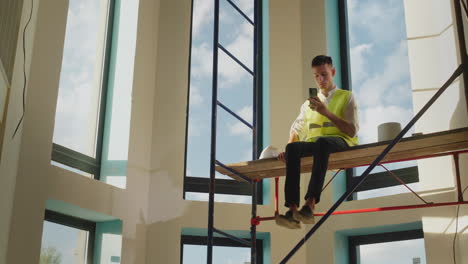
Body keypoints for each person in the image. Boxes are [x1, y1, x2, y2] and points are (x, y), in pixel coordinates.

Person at [275, 55, 359, 229]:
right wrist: (289, 148)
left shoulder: (347, 97)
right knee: (292, 147)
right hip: (317, 145)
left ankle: (310, 205)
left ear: (333, 72)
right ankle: (292, 210)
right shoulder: (308, 104)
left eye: (324, 74)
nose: (321, 79)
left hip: (341, 142)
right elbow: (296, 129)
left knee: (322, 143)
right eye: (316, 76)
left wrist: (325, 112)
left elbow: (351, 130)